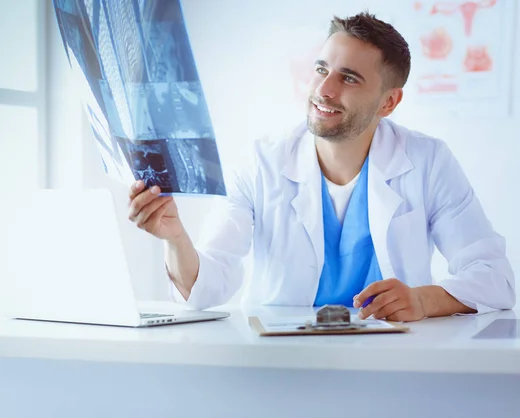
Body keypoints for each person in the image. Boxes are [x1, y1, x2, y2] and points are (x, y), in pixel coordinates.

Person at [126, 12, 515, 322]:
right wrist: (175, 238)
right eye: (321, 69)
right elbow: (208, 288)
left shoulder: (427, 161)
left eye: (348, 77)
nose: (324, 90)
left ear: (388, 102)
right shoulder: (263, 162)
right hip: (283, 368)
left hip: (394, 365)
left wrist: (422, 300)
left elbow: (496, 279)